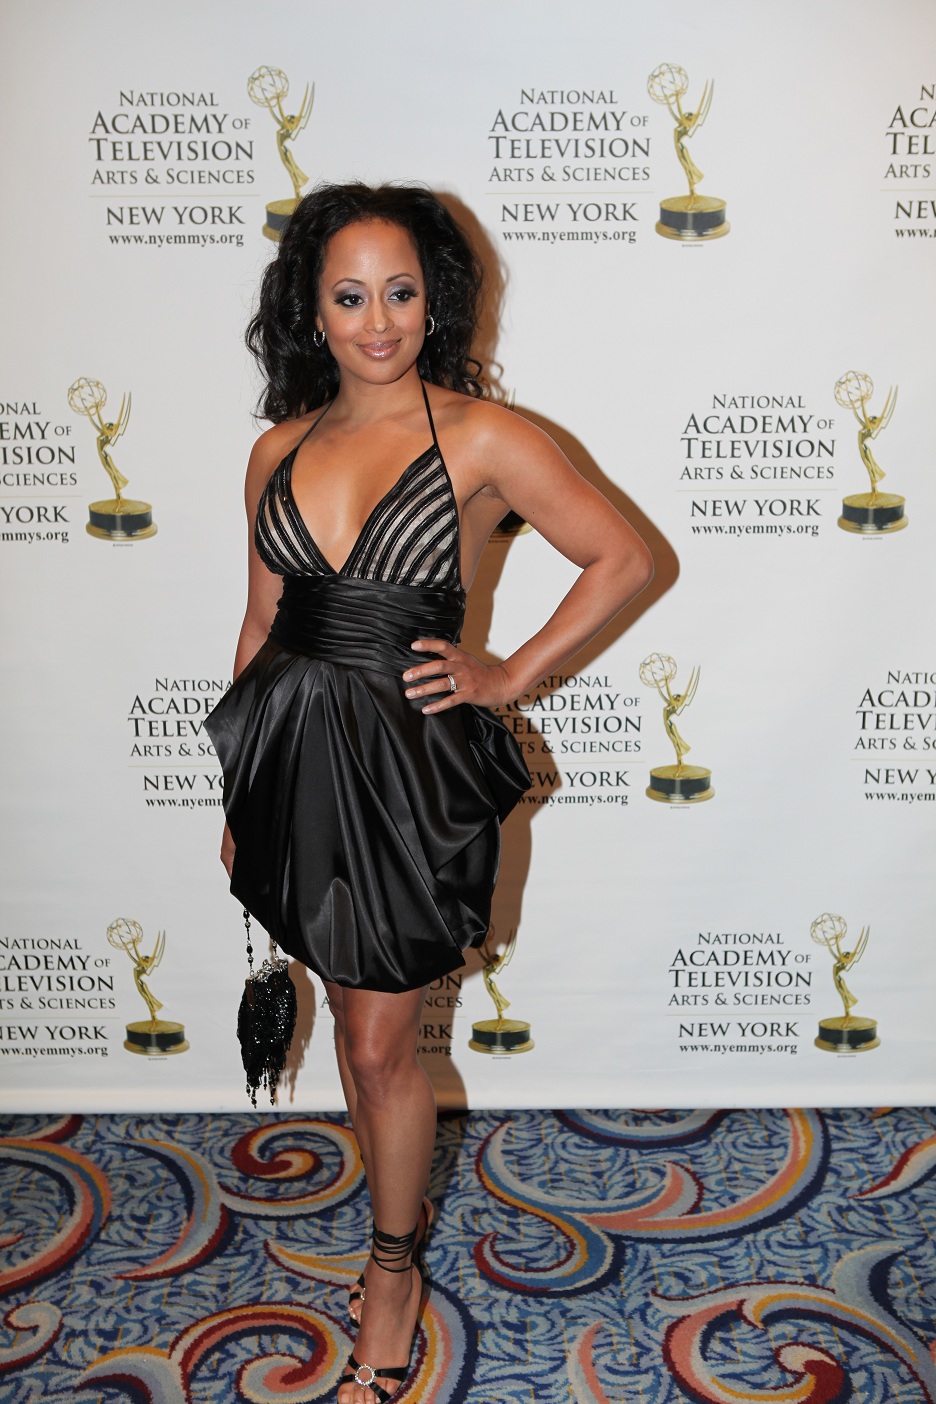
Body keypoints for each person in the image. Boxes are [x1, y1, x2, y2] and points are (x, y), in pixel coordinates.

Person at [206, 181, 653, 1404]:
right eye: (350, 297)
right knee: (359, 1043)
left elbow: (622, 557)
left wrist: (508, 672)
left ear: (435, 300)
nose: (379, 321)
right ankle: (389, 1219)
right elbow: (258, 624)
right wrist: (239, 789)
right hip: (295, 761)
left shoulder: (485, 438)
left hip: (405, 775)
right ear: (311, 310)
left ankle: (392, 1274)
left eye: (400, 292)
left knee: (379, 1038)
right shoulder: (276, 450)